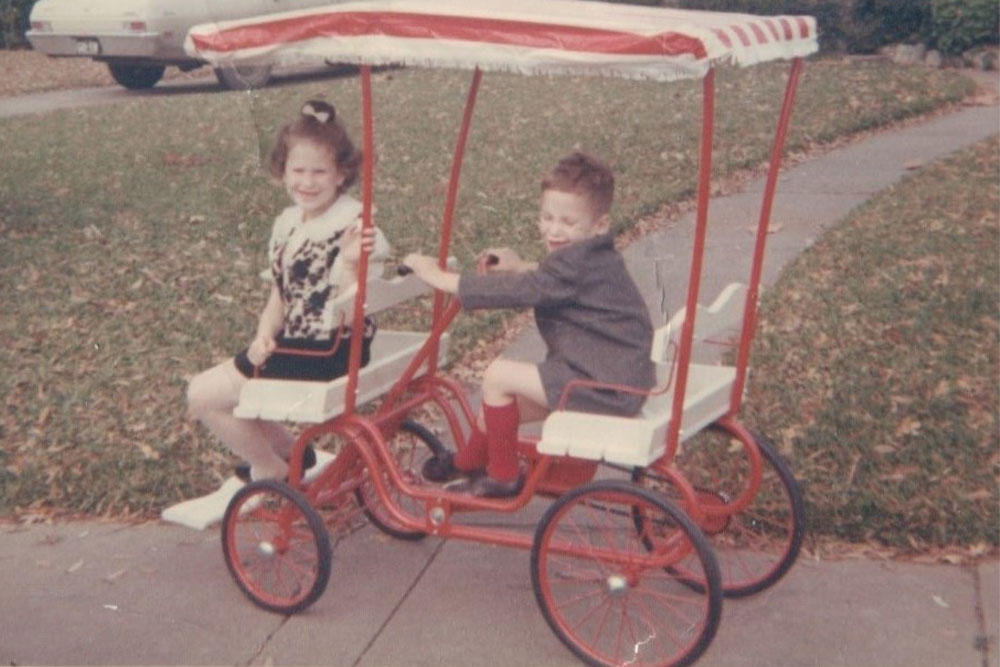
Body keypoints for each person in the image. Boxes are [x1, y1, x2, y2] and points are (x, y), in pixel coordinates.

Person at [403, 151, 655, 497]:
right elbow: (556, 281)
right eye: (547, 217)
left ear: (599, 224)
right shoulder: (594, 255)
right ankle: (465, 465)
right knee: (497, 411)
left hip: (602, 386)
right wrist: (521, 265)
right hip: (617, 382)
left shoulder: (574, 265)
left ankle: (503, 477)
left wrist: (440, 277)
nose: (554, 229)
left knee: (498, 375)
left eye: (568, 222)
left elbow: (531, 289)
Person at [187, 99, 389, 482]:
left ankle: (269, 468)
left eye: (319, 171)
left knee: (201, 395)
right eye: (298, 170)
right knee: (233, 390)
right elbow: (281, 294)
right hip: (299, 345)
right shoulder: (289, 224)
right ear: (283, 171)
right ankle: (295, 453)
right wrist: (264, 334)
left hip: (327, 351)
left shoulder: (352, 226)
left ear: (341, 173)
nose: (307, 182)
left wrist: (349, 262)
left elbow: (351, 305)